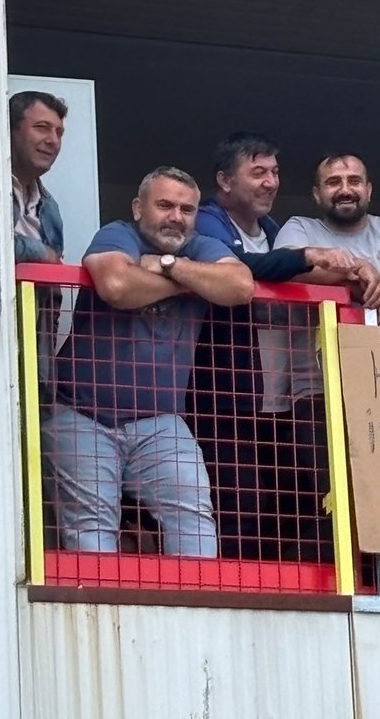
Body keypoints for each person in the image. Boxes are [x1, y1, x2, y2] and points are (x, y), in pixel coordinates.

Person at [44, 167, 252, 555]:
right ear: (139, 208)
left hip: (160, 422)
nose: (176, 217)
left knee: (195, 524)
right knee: (91, 532)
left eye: (187, 209)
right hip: (83, 414)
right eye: (165, 205)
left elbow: (240, 286)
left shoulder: (200, 245)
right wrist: (192, 284)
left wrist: (169, 265)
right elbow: (117, 285)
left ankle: (197, 598)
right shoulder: (117, 233)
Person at [188, 132, 368, 559]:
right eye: (258, 173)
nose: (270, 182)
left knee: (289, 508)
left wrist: (361, 271)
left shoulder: (272, 230)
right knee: (240, 505)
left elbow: (294, 271)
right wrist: (308, 255)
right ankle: (236, 589)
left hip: (279, 401)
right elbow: (241, 268)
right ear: (225, 180)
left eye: (274, 172)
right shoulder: (208, 220)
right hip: (227, 398)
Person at [269, 152, 380, 560]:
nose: (345, 189)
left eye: (354, 180)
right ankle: (340, 588)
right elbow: (290, 270)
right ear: (316, 194)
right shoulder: (299, 227)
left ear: (369, 189)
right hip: (317, 392)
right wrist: (363, 274)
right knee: (329, 502)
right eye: (334, 182)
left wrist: (344, 280)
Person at [11, 91, 67, 264]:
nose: (54, 141)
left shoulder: (50, 207)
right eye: (42, 127)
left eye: (59, 133)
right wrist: (40, 252)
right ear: (9, 130)